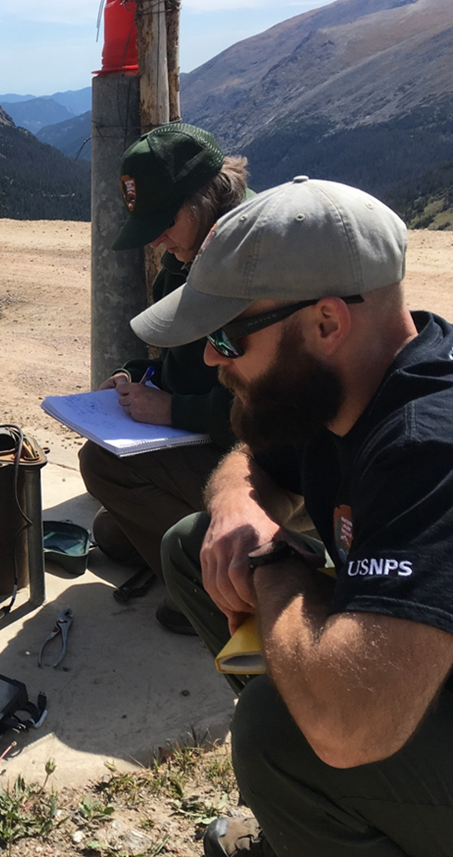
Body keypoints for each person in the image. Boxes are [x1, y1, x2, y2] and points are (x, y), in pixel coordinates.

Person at [131, 176, 453, 856]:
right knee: (199, 548)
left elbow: (352, 724)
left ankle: (317, 782)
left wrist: (275, 559)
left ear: (326, 322)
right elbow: (250, 460)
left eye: (224, 334)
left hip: (402, 697)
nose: (212, 360)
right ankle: (322, 806)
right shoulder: (341, 380)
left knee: (277, 733)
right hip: (416, 665)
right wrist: (236, 507)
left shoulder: (426, 443)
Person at [78, 122, 246, 633]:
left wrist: (172, 410)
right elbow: (174, 351)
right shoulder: (189, 252)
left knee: (104, 466)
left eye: (163, 221)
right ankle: (193, 553)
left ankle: (207, 597)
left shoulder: (251, 266)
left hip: (259, 463)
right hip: (207, 439)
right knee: (112, 533)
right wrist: (133, 375)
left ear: (199, 200)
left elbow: (276, 416)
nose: (156, 239)